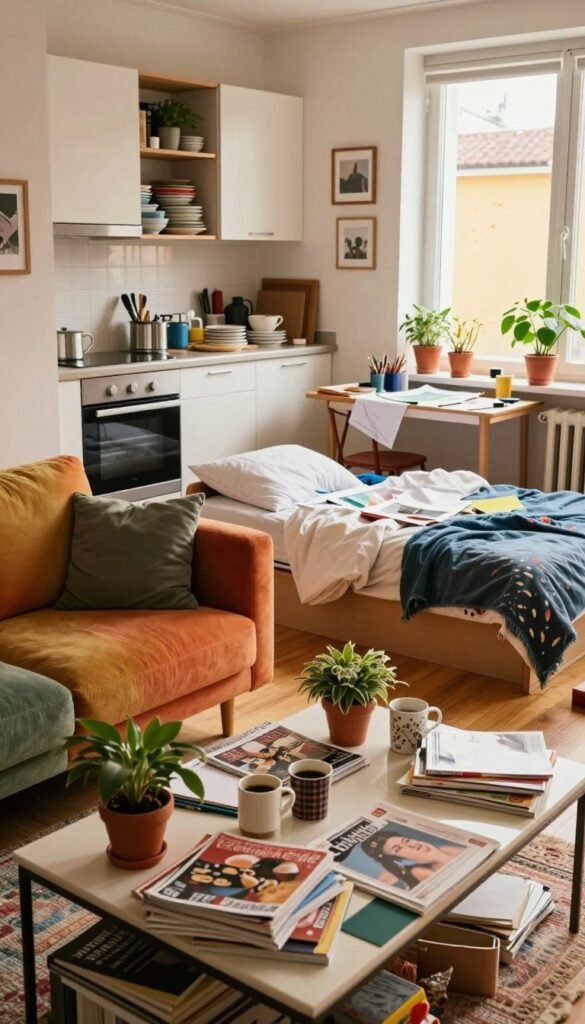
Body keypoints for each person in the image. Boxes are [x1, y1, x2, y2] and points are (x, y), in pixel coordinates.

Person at [356, 827, 463, 890]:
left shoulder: (447, 849)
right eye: (397, 849)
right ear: (399, 858)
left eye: (406, 841)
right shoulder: (418, 872)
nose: (412, 845)